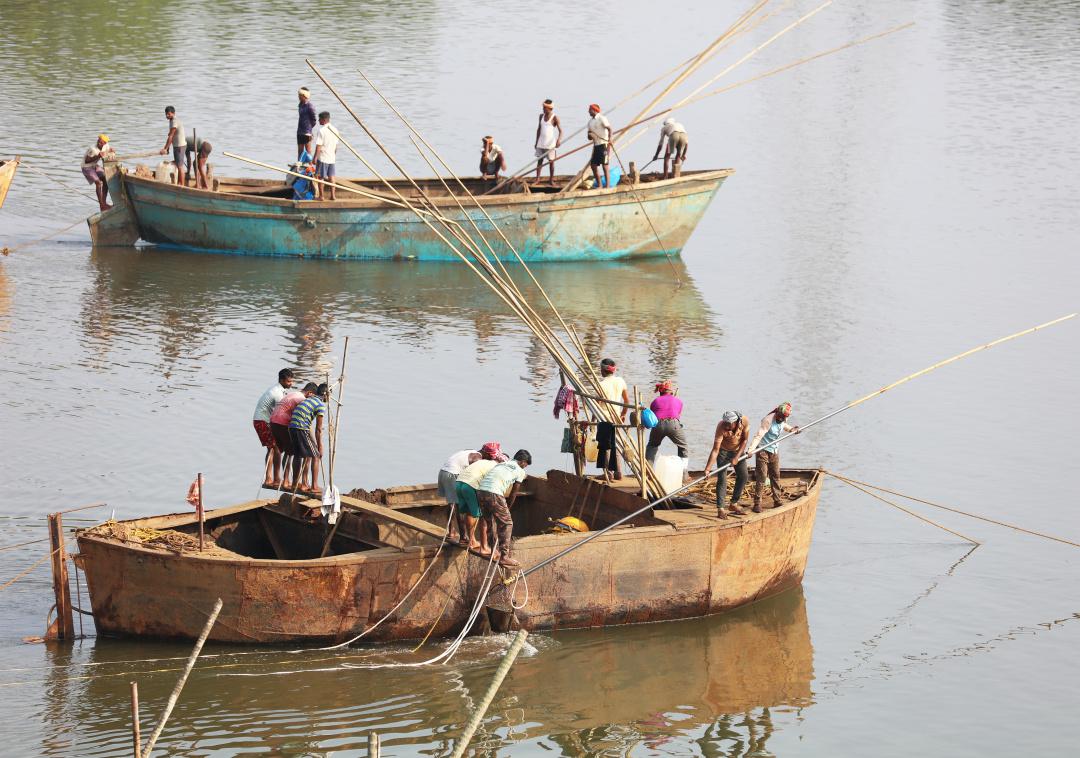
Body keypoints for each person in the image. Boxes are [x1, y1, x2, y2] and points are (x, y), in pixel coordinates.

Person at [476, 449, 532, 568]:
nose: (525, 467)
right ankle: (504, 557)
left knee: (489, 521)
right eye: (526, 465)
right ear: (523, 462)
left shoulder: (501, 464)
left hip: (480, 491)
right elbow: (513, 493)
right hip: (494, 493)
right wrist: (508, 508)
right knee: (507, 523)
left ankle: (492, 550)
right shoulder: (520, 471)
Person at [748, 402, 800, 512]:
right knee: (762, 476)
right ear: (777, 413)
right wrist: (751, 450)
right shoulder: (768, 420)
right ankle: (757, 503)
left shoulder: (783, 419)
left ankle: (777, 500)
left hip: (774, 451)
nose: (781, 419)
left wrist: (792, 430)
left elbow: (783, 426)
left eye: (784, 417)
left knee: (776, 475)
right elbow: (759, 435)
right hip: (763, 450)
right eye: (780, 416)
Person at [453, 442, 505, 551]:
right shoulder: (496, 467)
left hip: (459, 483)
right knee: (482, 516)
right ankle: (484, 547)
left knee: (469, 512)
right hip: (470, 486)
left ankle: (471, 540)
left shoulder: (483, 462)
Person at [703, 410, 751, 518]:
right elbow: (715, 450)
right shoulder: (721, 426)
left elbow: (744, 440)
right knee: (722, 478)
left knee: (744, 476)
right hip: (723, 452)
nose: (726, 426)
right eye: (725, 423)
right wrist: (708, 469)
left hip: (738, 450)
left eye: (729, 424)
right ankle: (720, 508)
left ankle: (733, 503)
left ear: (736, 422)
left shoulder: (744, 421)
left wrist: (737, 457)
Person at [253, 368, 295, 488]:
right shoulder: (277, 393)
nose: (291, 384)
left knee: (272, 448)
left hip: (263, 420)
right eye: (288, 382)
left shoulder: (280, 390)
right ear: (281, 380)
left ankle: (270, 478)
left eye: (291, 381)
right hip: (262, 420)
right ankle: (275, 479)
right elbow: (282, 412)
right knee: (275, 447)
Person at [288, 382, 328, 496]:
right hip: (301, 428)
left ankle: (296, 483)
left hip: (292, 427)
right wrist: (320, 446)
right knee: (315, 455)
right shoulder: (320, 404)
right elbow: (318, 429)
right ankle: (314, 486)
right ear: (325, 395)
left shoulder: (309, 399)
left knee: (298, 455)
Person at [438, 447, 484, 541]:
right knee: (459, 505)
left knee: (451, 503)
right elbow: (474, 475)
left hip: (443, 472)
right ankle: (463, 536)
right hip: (453, 474)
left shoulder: (469, 451)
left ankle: (451, 531)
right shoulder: (478, 458)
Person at [270, 385, 307, 491]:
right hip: (282, 422)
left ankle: (282, 479)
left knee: (283, 450)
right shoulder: (302, 399)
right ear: (309, 393)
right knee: (293, 452)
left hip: (273, 421)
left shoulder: (292, 394)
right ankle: (287, 481)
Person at [596, 358, 628, 481]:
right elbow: (626, 401)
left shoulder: (601, 384)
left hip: (604, 417)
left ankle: (608, 473)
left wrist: (593, 420)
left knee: (605, 446)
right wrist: (623, 414)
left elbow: (598, 404)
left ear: (603, 370)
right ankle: (618, 472)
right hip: (616, 417)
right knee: (616, 444)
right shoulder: (620, 381)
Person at [646, 380, 688, 463]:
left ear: (660, 392)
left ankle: (648, 472)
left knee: (652, 445)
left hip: (658, 424)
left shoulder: (655, 401)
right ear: (671, 391)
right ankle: (684, 473)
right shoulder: (678, 401)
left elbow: (653, 417)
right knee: (683, 447)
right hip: (673, 423)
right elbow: (678, 415)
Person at [311, 111, 341, 201]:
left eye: (319, 119)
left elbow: (319, 145)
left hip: (323, 157)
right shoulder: (335, 130)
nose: (318, 121)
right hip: (331, 157)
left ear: (324, 120)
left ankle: (321, 196)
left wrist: (315, 158)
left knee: (320, 177)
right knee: (332, 177)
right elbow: (336, 146)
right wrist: (333, 155)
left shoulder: (321, 131)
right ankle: (333, 196)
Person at [82, 134, 114, 211]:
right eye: (98, 141)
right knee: (98, 183)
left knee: (106, 180)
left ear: (105, 143)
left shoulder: (106, 146)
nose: (99, 143)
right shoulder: (93, 149)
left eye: (101, 142)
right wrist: (98, 156)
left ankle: (104, 202)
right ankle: (102, 205)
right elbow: (87, 161)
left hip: (95, 165)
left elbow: (109, 151)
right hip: (87, 167)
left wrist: (111, 151)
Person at [534, 99, 563, 183]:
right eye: (543, 107)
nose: (543, 109)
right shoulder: (541, 116)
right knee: (540, 161)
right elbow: (539, 129)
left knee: (551, 162)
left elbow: (561, 131)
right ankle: (537, 179)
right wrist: (536, 142)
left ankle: (551, 180)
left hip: (550, 144)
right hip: (541, 143)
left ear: (549, 108)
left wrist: (558, 141)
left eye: (544, 107)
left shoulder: (555, 117)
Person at [159, 106, 187, 186]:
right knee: (178, 165)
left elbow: (171, 136)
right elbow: (171, 135)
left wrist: (165, 149)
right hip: (177, 145)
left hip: (180, 146)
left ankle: (181, 185)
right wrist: (168, 149)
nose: (167, 116)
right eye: (166, 114)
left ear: (173, 113)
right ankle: (179, 183)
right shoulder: (171, 121)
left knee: (180, 166)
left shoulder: (174, 121)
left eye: (169, 114)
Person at [586, 104, 612, 189]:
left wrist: (610, 140)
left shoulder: (601, 118)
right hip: (596, 145)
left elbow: (610, 129)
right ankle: (600, 185)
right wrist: (590, 136)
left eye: (590, 110)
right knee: (593, 166)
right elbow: (589, 137)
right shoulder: (590, 122)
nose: (588, 111)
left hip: (603, 144)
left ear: (594, 110)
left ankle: (607, 186)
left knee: (605, 165)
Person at [297, 87, 317, 158]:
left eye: (300, 95)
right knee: (300, 151)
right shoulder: (300, 105)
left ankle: (309, 165)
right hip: (300, 131)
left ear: (304, 96)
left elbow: (314, 120)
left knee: (308, 151)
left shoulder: (310, 106)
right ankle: (299, 165)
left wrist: (309, 129)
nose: (298, 97)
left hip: (307, 132)